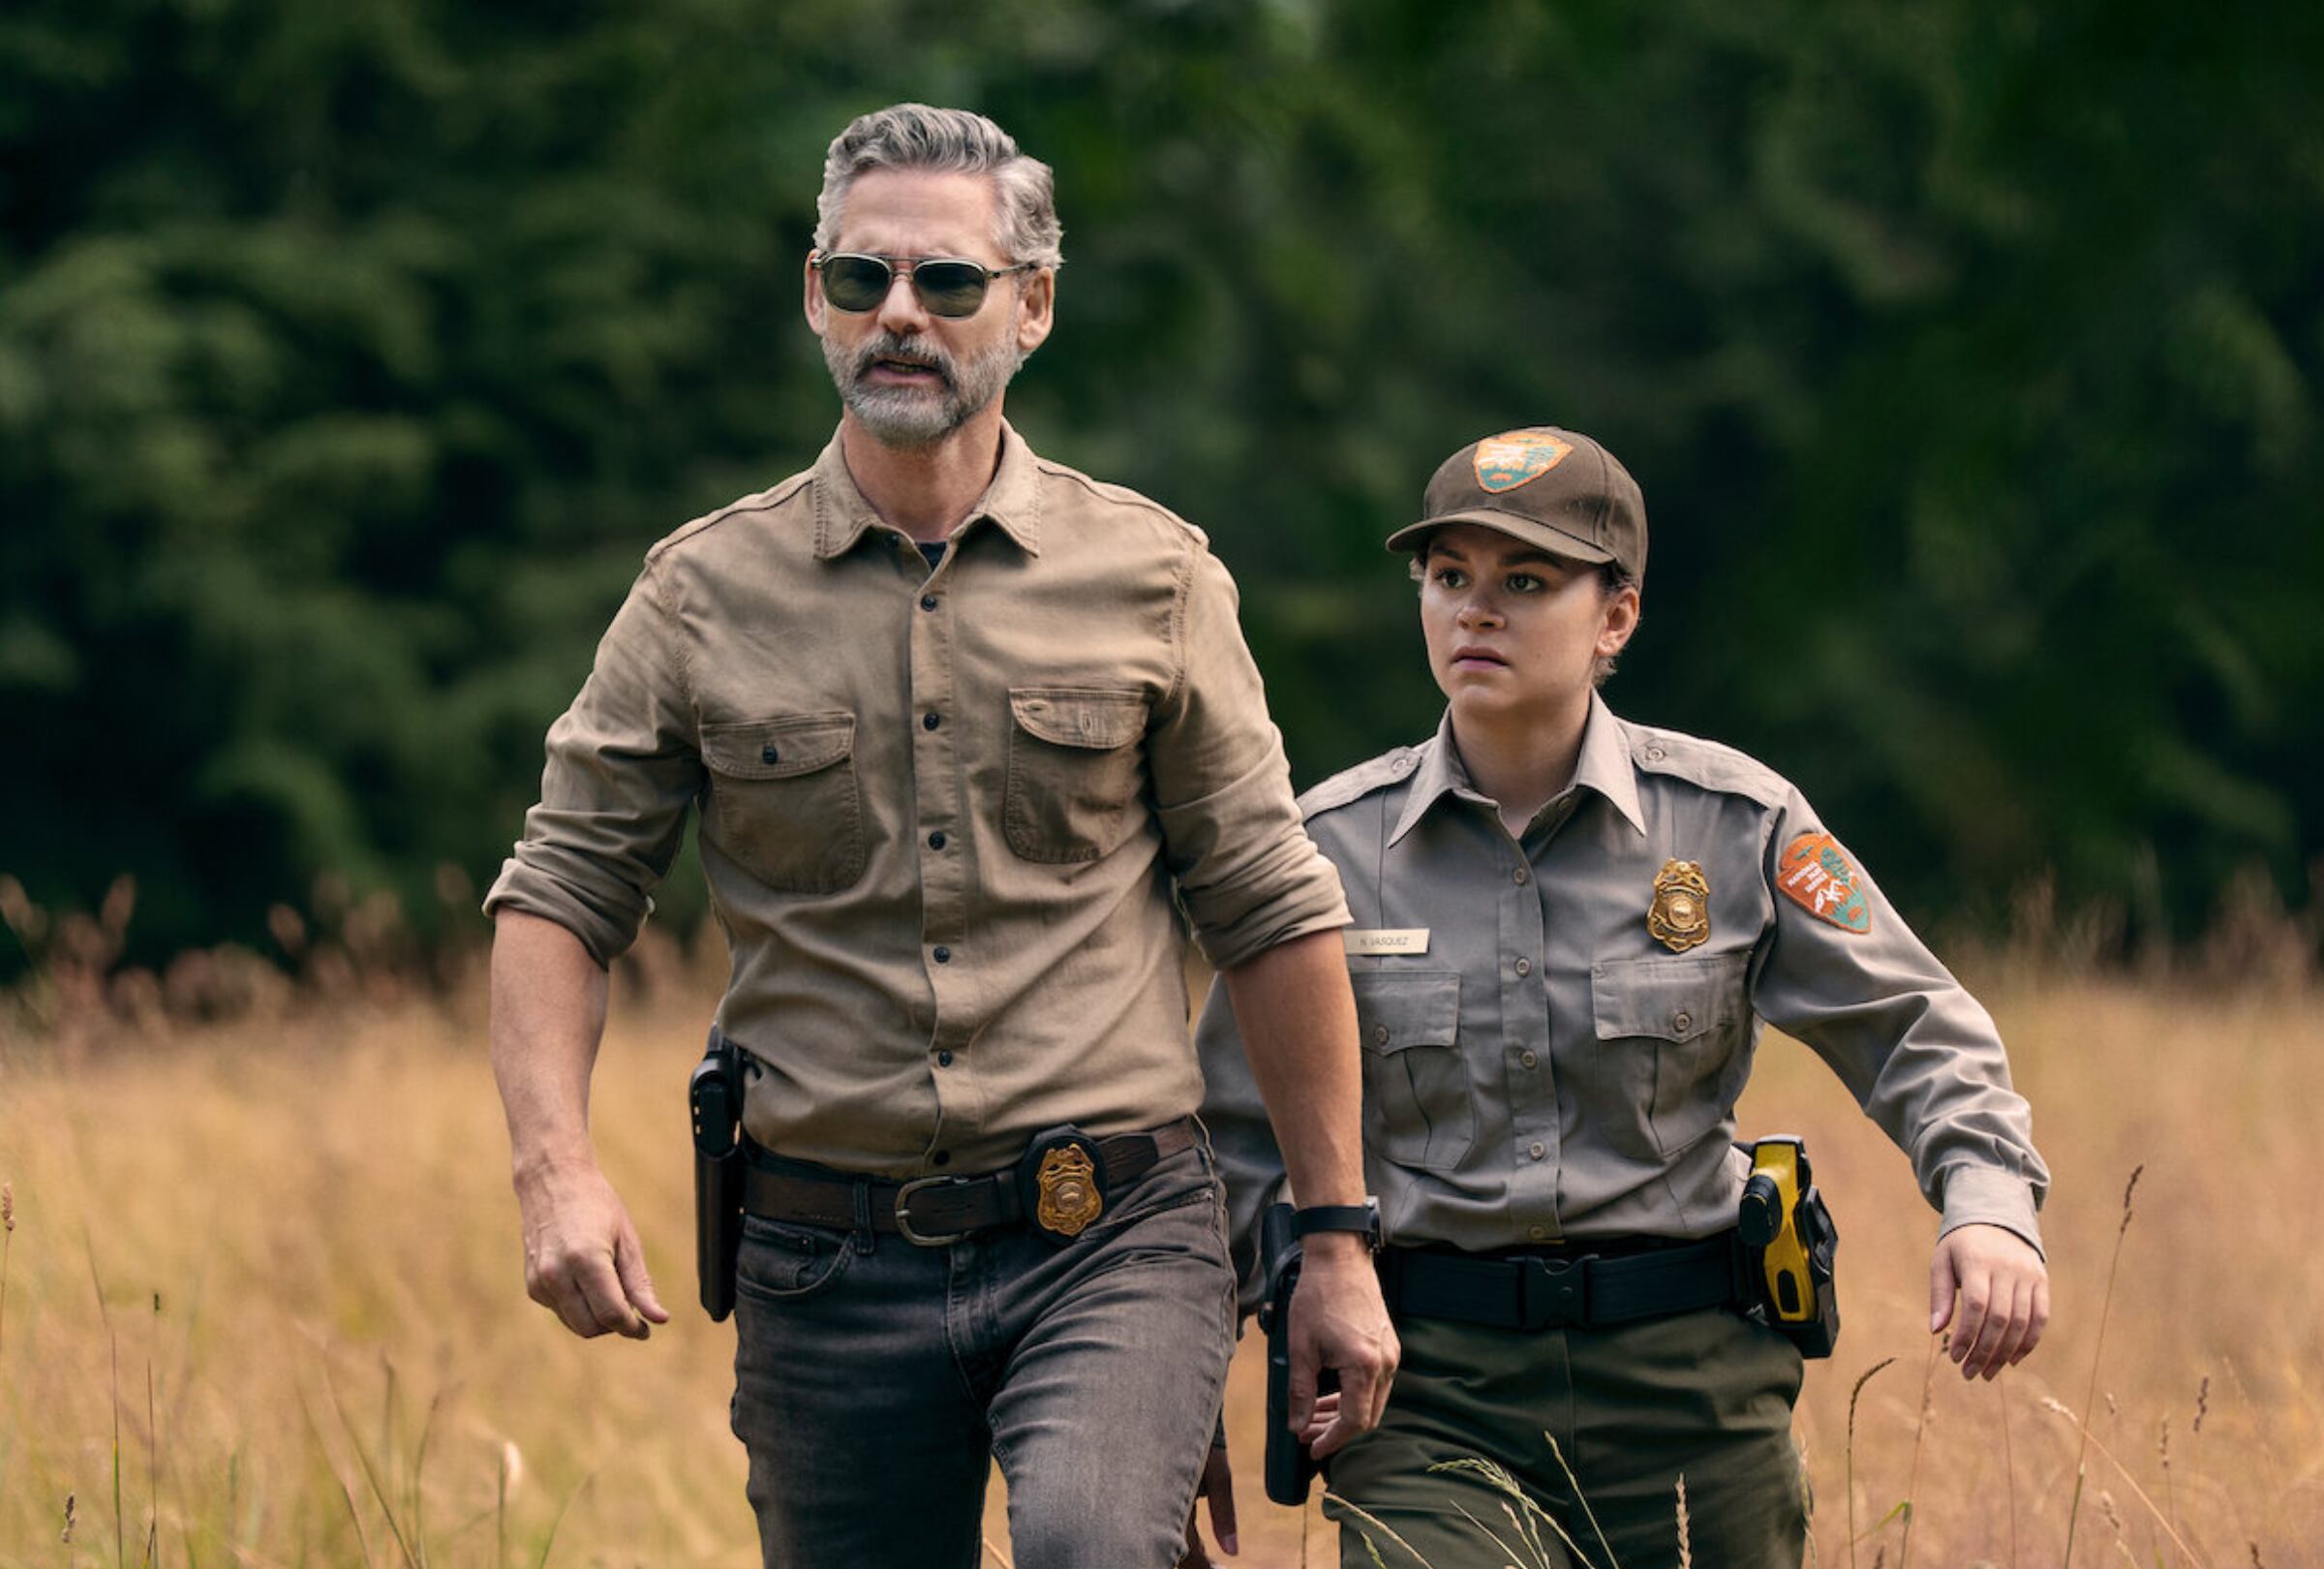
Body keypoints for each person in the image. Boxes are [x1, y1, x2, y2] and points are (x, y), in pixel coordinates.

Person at [481, 104, 1396, 1569]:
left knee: (1098, 1545)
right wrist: (554, 1170)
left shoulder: (1154, 579)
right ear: (814, 295)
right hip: (820, 1257)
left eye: (947, 283)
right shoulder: (698, 595)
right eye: (862, 279)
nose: (899, 314)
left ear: (1031, 304)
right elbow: (563, 892)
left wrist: (1334, 1242)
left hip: (1112, 1234)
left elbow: (1273, 911)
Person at [1196, 426, 2051, 1565]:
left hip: (1689, 1390)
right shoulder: (1327, 852)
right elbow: (1225, 1136)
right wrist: (1222, 1342)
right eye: (1449, 577)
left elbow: (1919, 1029)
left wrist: (1987, 1203)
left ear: (1617, 617)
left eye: (1526, 582)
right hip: (1431, 1392)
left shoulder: (1735, 824)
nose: (1475, 611)